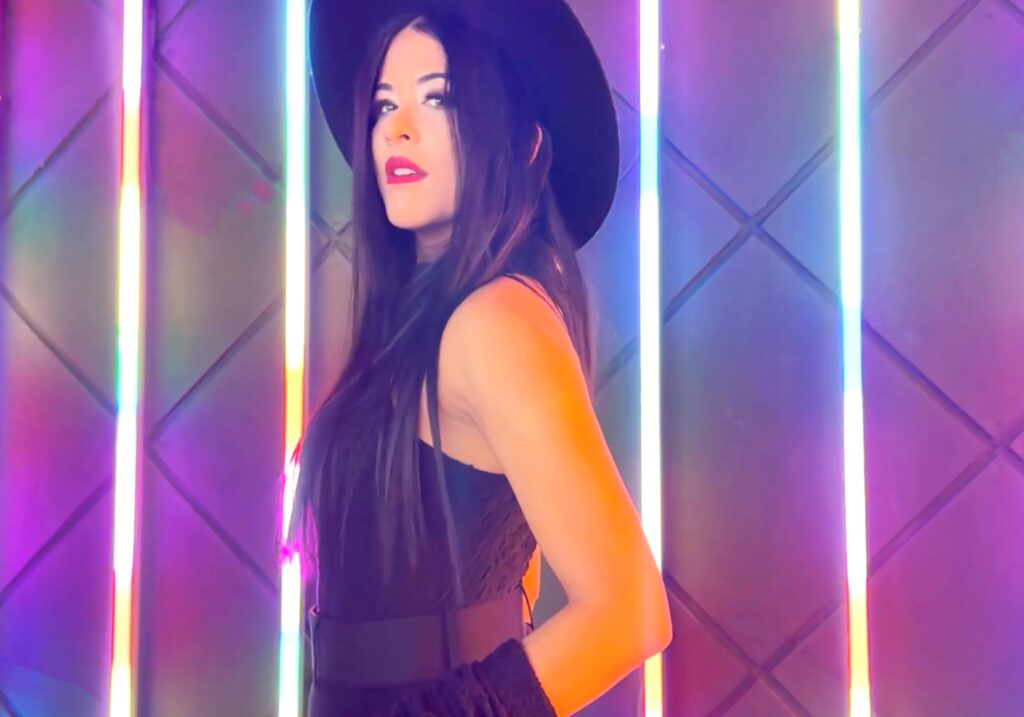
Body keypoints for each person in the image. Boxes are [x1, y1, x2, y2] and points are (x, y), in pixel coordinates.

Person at [278, 1, 673, 714]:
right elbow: (495, 572)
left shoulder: (494, 322)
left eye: (439, 98)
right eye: (384, 103)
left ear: (524, 144)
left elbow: (629, 612)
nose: (397, 128)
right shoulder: (422, 325)